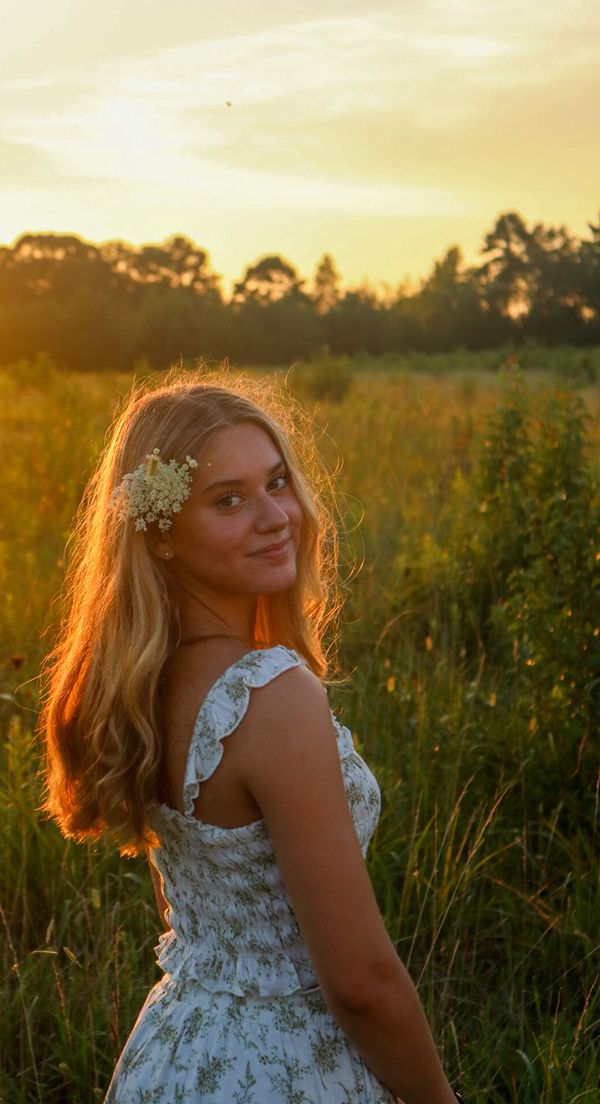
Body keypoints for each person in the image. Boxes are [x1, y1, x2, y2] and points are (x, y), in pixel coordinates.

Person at [40, 370, 462, 1104]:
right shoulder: (268, 697)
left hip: (177, 1052)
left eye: (277, 483)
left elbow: (191, 902)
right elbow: (360, 981)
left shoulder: (147, 678)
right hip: (282, 1063)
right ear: (162, 535)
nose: (275, 516)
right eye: (228, 500)